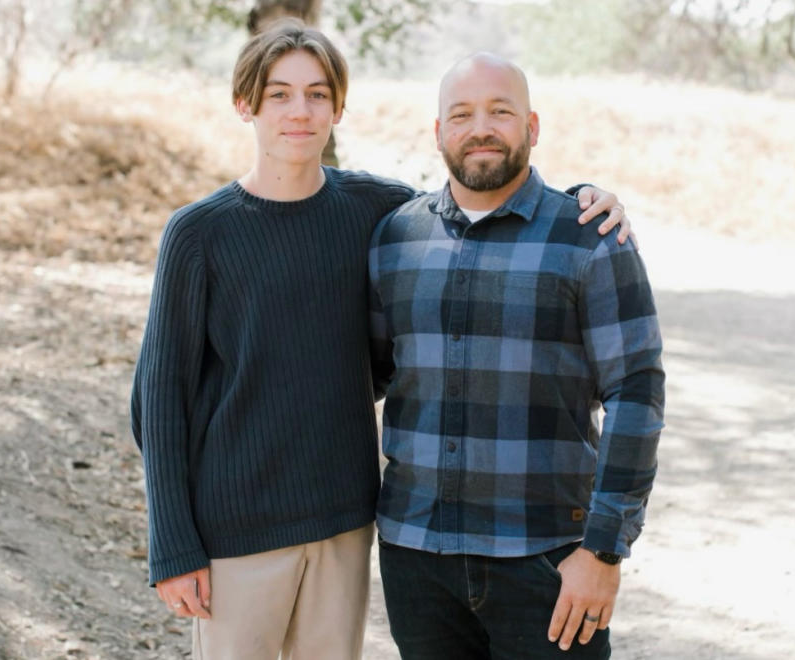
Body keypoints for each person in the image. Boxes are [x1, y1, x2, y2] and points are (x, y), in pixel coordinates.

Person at [131, 20, 631, 660]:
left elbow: (478, 197)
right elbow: (157, 403)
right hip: (237, 531)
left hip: (345, 523)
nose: (299, 111)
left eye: (317, 94)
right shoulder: (198, 234)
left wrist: (583, 199)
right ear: (245, 105)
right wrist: (172, 546)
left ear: (338, 108)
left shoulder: (378, 211)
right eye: (278, 94)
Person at [369, 52, 665, 659]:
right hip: (416, 559)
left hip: (549, 562)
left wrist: (603, 550)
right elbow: (370, 374)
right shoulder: (396, 237)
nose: (481, 127)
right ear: (438, 132)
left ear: (532, 128)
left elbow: (636, 395)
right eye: (462, 113)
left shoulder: (588, 236)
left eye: (500, 111)